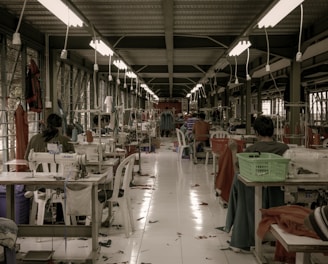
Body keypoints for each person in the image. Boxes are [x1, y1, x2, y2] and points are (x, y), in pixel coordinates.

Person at [221, 115, 289, 252]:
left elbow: (238, 171)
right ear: (273, 131)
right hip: (277, 193)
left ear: (256, 132)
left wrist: (234, 150)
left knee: (236, 182)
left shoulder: (253, 149)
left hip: (254, 193)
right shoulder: (284, 148)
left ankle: (233, 227)